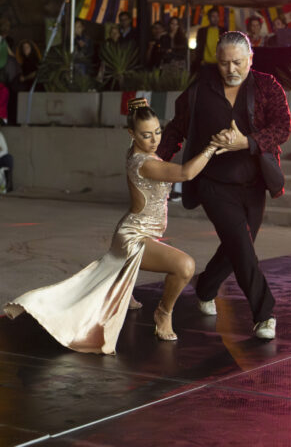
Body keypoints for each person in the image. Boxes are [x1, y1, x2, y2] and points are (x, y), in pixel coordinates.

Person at [3, 97, 225, 353]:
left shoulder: (137, 152)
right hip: (133, 237)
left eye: (158, 132)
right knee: (185, 266)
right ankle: (163, 313)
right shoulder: (146, 164)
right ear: (131, 134)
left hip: (137, 230)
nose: (154, 140)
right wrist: (211, 147)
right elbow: (186, 173)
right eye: (146, 135)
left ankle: (122, 290)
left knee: (153, 264)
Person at [157, 31, 291, 341]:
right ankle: (264, 314)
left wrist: (247, 142)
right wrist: (153, 163)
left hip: (253, 181)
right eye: (223, 63)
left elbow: (283, 126)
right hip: (213, 182)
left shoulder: (267, 85)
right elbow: (177, 127)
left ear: (250, 59)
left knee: (237, 248)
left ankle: (205, 287)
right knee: (241, 246)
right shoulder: (201, 89)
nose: (231, 70)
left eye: (237, 63)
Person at [0, 128, 13, 192]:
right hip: (5, 158)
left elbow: (2, 149)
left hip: (4, 158)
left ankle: (7, 187)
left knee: (8, 159)